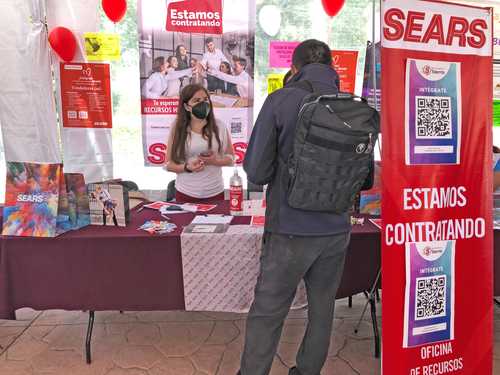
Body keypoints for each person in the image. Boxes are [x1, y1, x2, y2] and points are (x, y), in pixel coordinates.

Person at [239, 40, 361, 375]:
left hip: (290, 229)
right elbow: (363, 179)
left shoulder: (281, 100)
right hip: (337, 229)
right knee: (322, 310)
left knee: (268, 311)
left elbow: (256, 171)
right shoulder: (351, 105)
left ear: (294, 68)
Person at [165, 84, 235, 203]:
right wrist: (187, 167)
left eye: (205, 99)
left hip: (215, 193)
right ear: (187, 107)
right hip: (185, 193)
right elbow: (168, 164)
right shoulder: (177, 128)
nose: (203, 103)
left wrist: (215, 161)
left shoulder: (220, 126)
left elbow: (231, 159)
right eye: (197, 100)